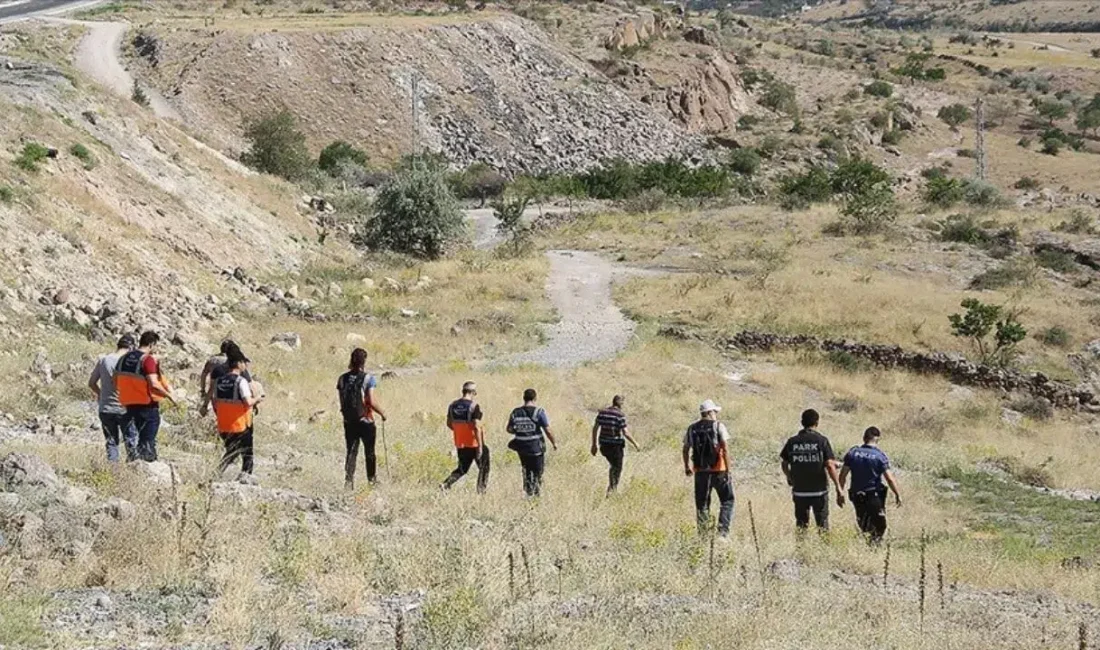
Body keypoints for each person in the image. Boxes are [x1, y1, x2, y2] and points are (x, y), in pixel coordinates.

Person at [780, 409, 845, 534]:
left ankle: (801, 545)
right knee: (822, 525)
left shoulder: (792, 442)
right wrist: (839, 488)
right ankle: (823, 545)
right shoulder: (822, 441)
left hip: (800, 491)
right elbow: (830, 465)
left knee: (801, 525)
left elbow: (784, 463)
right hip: (819, 491)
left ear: (802, 422)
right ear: (817, 423)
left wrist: (789, 477)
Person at [114, 331, 176, 462]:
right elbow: (154, 383)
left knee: (132, 442)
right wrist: (169, 396)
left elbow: (115, 380)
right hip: (146, 406)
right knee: (147, 443)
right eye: (156, 345)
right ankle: (146, 466)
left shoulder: (123, 358)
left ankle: (133, 464)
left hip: (127, 406)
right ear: (151, 344)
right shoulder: (147, 360)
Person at [840, 426, 902, 544]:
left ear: (864, 438)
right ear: (877, 440)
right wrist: (897, 494)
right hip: (874, 495)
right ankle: (874, 546)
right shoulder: (879, 456)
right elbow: (889, 478)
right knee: (880, 525)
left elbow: (843, 475)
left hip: (856, 495)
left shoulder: (852, 453)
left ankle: (868, 544)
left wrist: (840, 492)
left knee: (863, 523)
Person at [682, 399, 735, 538]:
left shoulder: (692, 428)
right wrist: (728, 471)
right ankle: (722, 534)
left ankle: (703, 536)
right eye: (715, 412)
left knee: (702, 504)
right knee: (727, 500)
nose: (716, 414)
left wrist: (687, 467)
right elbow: (725, 449)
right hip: (719, 470)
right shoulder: (718, 426)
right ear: (710, 412)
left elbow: (686, 449)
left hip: (700, 471)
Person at [337, 348, 386, 488]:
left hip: (349, 421)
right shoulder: (368, 379)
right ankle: (372, 481)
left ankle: (348, 482)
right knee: (369, 452)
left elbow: (341, 401)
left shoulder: (342, 379)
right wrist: (382, 413)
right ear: (364, 361)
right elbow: (370, 401)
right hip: (366, 421)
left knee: (351, 452)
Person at [88, 334, 138, 462]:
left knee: (111, 442)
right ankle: (133, 468)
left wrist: (101, 394)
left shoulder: (103, 360)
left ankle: (113, 469)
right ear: (131, 348)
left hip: (106, 408)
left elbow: (92, 383)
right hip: (125, 409)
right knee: (131, 442)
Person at [213, 353, 263, 477]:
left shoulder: (219, 381)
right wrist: (258, 398)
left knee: (232, 451)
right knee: (247, 454)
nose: (246, 365)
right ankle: (245, 478)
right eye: (244, 362)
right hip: (240, 425)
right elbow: (248, 402)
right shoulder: (241, 381)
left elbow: (215, 402)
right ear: (239, 364)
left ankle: (216, 474)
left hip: (223, 425)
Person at [440, 381, 490, 493]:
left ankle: (445, 484)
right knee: (484, 468)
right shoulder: (473, 406)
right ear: (473, 392)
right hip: (474, 443)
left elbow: (449, 423)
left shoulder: (452, 406)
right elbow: (476, 427)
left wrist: (460, 432)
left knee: (462, 469)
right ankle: (481, 492)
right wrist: (480, 447)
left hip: (461, 443)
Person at [506, 388, 557, 498]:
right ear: (535, 398)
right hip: (536, 448)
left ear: (523, 398)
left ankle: (528, 493)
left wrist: (520, 430)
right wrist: (554, 443)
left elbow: (509, 429)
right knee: (538, 472)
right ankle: (536, 494)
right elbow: (548, 430)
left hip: (522, 449)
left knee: (526, 471)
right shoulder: (539, 412)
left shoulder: (515, 412)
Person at [590, 395, 639, 495]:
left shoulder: (602, 413)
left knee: (613, 466)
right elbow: (625, 432)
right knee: (617, 467)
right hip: (615, 446)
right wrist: (635, 444)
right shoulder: (620, 415)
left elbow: (595, 428)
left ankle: (612, 488)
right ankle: (612, 490)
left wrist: (594, 445)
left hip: (603, 445)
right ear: (620, 403)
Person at [199, 340, 252, 416]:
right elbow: (249, 385)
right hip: (237, 401)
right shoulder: (237, 364)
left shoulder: (212, 360)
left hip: (218, 398)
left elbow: (204, 376)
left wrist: (203, 391)